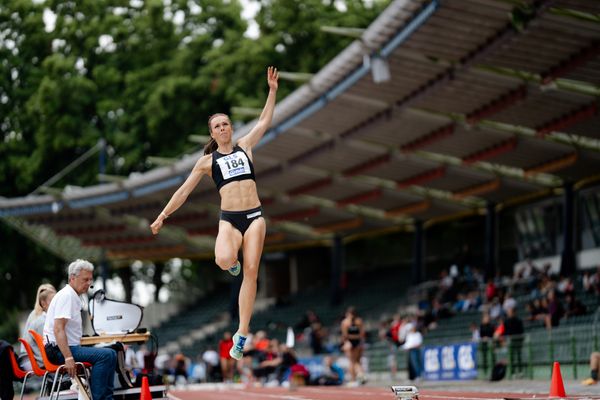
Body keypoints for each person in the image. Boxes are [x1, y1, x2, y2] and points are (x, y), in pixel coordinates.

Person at [150, 66, 279, 360]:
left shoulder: (245, 147)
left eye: (226, 124)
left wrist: (272, 91)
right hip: (230, 220)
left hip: (254, 217)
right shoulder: (206, 162)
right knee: (223, 259)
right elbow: (183, 191)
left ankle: (242, 332)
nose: (222, 128)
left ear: (231, 128)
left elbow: (264, 121)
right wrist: (163, 215)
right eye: (217, 126)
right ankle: (231, 265)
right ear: (212, 133)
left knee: (251, 271)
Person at [43, 259, 117, 400]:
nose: (89, 283)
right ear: (72, 278)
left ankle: (107, 398)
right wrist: (68, 357)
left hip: (64, 347)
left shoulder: (71, 295)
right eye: (85, 279)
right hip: (58, 351)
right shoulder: (67, 296)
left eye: (90, 279)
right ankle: (99, 398)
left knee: (112, 353)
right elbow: (58, 329)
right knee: (106, 355)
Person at [18, 283, 56, 370]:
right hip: (31, 359)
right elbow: (47, 345)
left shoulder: (42, 316)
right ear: (43, 300)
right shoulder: (39, 319)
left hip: (34, 357)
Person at [340, 307, 366, 385]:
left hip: (350, 343)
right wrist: (357, 339)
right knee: (357, 361)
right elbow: (362, 334)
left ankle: (353, 379)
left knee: (352, 362)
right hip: (358, 342)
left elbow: (345, 335)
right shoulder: (359, 321)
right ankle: (361, 374)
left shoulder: (345, 322)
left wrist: (345, 343)